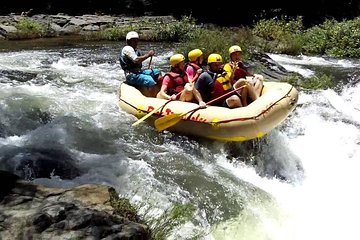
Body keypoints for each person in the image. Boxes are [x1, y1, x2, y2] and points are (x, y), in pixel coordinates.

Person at [119, 31, 162, 97]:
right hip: (131, 75)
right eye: (133, 41)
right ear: (128, 41)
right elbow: (136, 60)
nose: (136, 42)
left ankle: (161, 92)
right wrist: (148, 55)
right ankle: (152, 98)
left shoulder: (135, 50)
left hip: (138, 72)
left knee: (157, 72)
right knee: (150, 80)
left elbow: (139, 60)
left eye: (136, 40)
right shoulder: (127, 49)